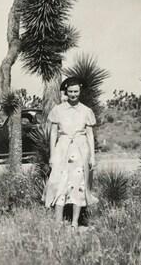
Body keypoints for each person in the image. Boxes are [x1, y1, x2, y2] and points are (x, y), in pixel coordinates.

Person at [43, 77, 98, 228]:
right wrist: (52, 155)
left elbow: (90, 135)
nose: (73, 94)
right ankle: (58, 222)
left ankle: (75, 222)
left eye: (76, 91)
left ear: (80, 91)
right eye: (70, 91)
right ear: (66, 92)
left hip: (81, 151)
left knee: (78, 185)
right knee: (60, 184)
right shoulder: (58, 110)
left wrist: (92, 156)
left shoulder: (86, 111)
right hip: (62, 149)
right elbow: (53, 133)